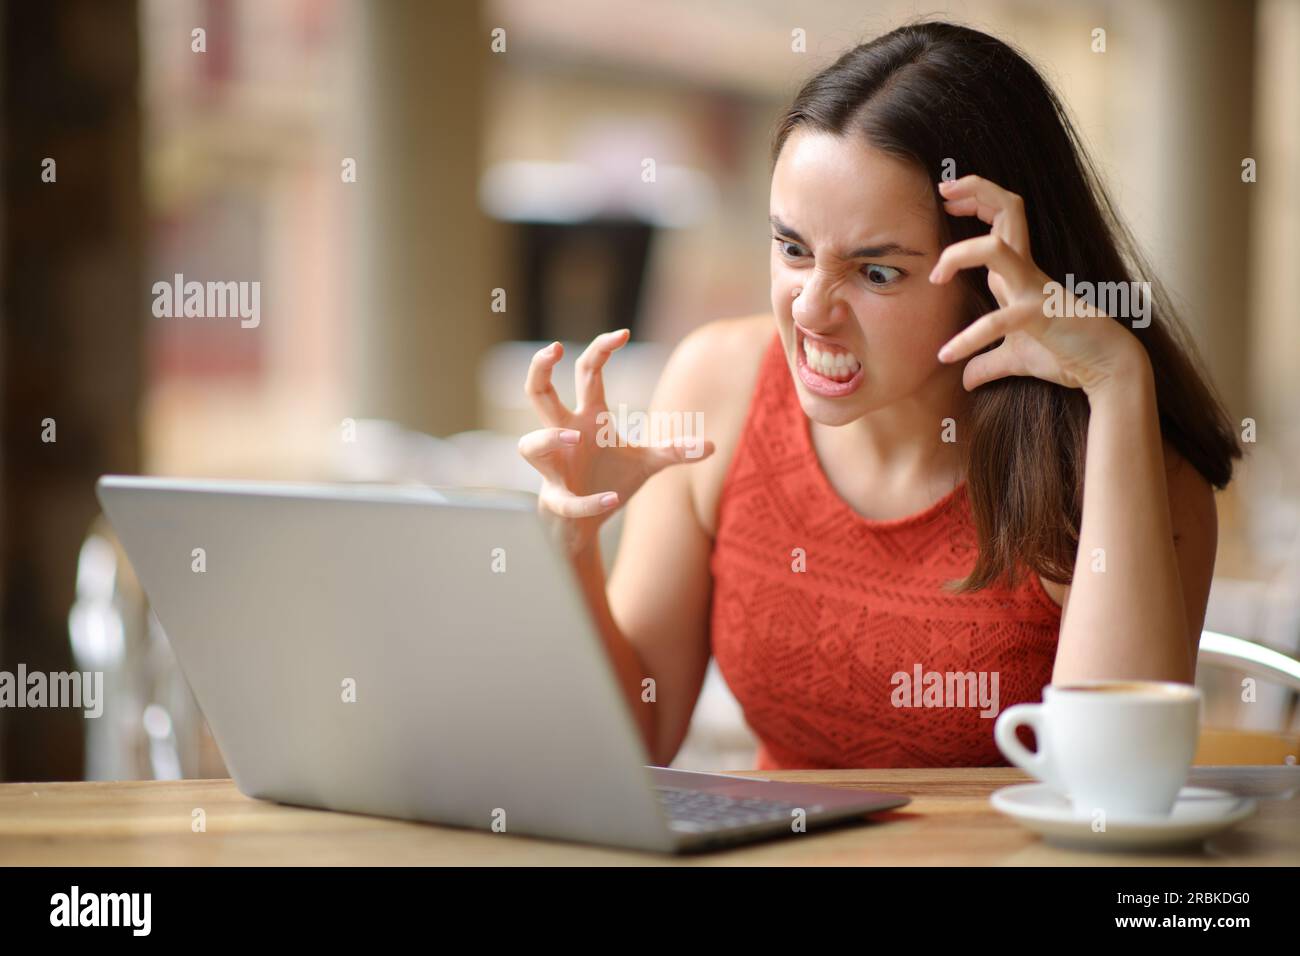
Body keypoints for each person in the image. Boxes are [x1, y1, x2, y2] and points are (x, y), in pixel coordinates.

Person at [517, 21, 1241, 769]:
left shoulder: (1117, 458)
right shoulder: (718, 385)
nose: (809, 310)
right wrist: (573, 541)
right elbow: (642, 734)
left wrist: (1120, 384)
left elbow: (1113, 785)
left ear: (988, 275)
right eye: (793, 249)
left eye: (876, 273)